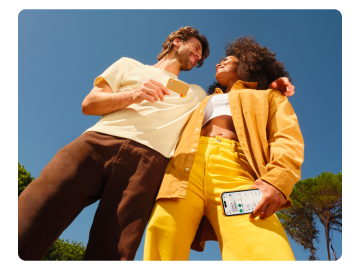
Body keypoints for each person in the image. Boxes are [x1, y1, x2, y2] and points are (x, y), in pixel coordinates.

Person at [18, 27, 294, 261]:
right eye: (196, 49)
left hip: (152, 163)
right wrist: (134, 94)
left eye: (200, 57)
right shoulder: (129, 65)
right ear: (178, 41)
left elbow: (249, 106)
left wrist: (273, 83)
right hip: (101, 142)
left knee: (115, 247)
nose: (199, 57)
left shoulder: (197, 94)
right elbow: (89, 104)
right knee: (34, 212)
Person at [143, 36, 304, 261]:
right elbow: (161, 78)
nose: (218, 63)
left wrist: (278, 179)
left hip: (236, 169)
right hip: (183, 170)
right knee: (162, 235)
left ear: (247, 64)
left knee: (263, 246)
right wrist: (169, 55)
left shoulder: (268, 96)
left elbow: (286, 137)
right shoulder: (197, 96)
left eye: (227, 59)